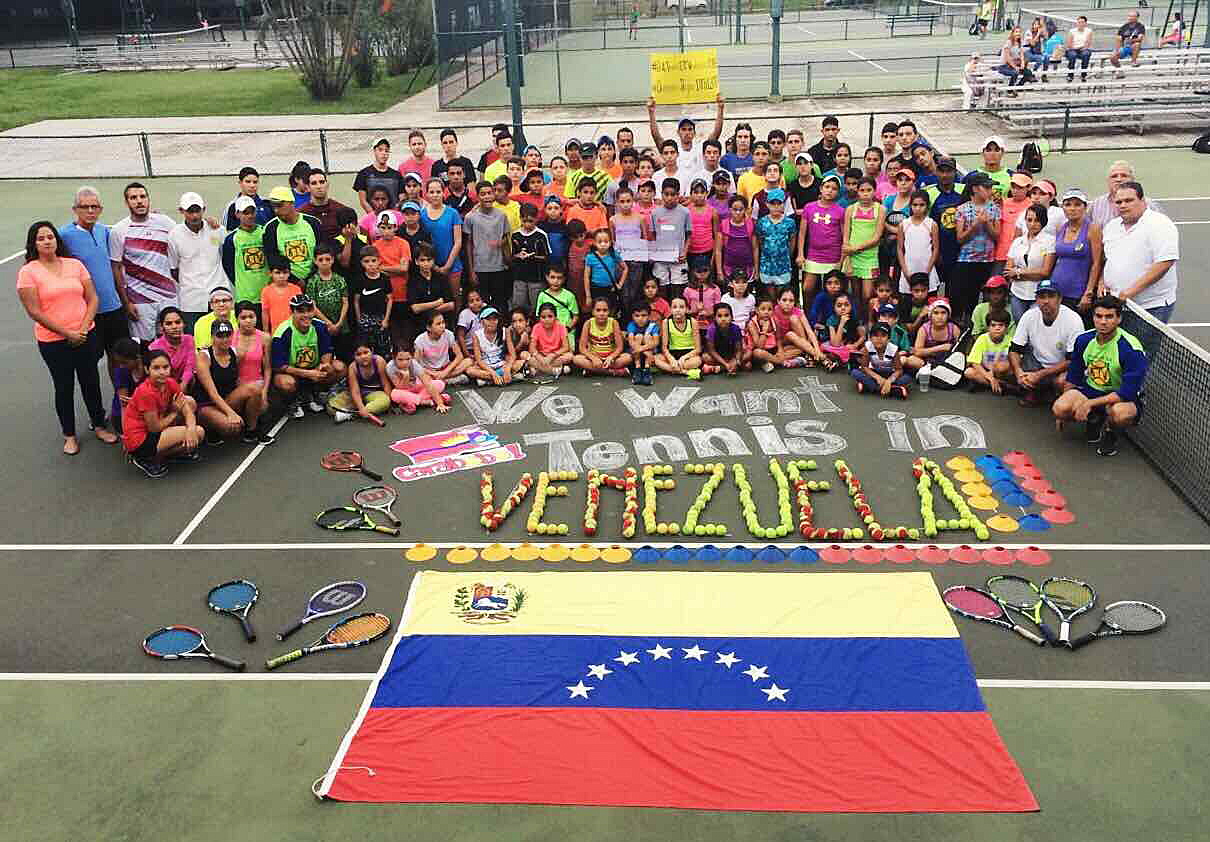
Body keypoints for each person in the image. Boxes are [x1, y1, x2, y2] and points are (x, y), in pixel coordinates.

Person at [17, 221, 119, 455]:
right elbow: (34, 311)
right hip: (53, 342)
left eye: (50, 237)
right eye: (41, 238)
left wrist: (83, 330)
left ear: (57, 240)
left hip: (85, 335)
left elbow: (92, 298)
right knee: (64, 387)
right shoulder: (28, 272)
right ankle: (69, 435)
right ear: (34, 243)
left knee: (91, 381)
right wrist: (67, 333)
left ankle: (100, 425)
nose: (47, 241)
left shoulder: (74, 265)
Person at [1053, 295, 1148, 456]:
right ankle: (1095, 418)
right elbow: (1074, 376)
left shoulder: (1131, 349)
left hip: (1120, 396)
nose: (1103, 321)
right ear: (1093, 317)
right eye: (1099, 316)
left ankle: (1111, 433)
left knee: (1120, 414)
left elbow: (1126, 392)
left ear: (1119, 319)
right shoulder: (1083, 340)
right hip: (1091, 389)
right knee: (1060, 408)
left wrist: (1088, 403)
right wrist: (1063, 415)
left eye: (1109, 316)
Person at [59, 186, 132, 387]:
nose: (90, 211)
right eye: (85, 207)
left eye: (94, 207)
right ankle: (97, 413)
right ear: (75, 209)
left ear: (100, 209)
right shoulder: (63, 236)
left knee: (119, 359)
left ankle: (121, 402)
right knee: (89, 364)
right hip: (86, 313)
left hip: (114, 309)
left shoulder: (105, 232)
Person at [1100, 181, 1179, 323]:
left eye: (1129, 200)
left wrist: (1128, 293)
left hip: (1151, 307)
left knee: (1145, 346)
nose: (1123, 205)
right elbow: (1107, 260)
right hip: (1119, 306)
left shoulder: (1160, 224)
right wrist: (1102, 282)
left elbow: (1164, 263)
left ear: (1142, 201)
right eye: (1119, 202)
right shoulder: (1111, 227)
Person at [109, 182, 177, 344]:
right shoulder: (119, 231)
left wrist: (209, 223)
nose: (139, 201)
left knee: (172, 344)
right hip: (140, 303)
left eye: (143, 197)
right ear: (127, 203)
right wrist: (126, 303)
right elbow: (116, 268)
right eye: (133, 198)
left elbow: (185, 235)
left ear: (148, 199)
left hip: (169, 298)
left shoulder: (165, 222)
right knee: (144, 349)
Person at [122, 348, 201, 477]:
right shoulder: (145, 392)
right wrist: (174, 413)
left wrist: (190, 429)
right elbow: (154, 428)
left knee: (190, 405)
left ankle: (167, 453)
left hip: (158, 424)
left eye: (165, 367)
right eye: (156, 368)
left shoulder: (170, 383)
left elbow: (187, 410)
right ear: (147, 370)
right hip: (140, 439)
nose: (162, 372)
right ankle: (144, 458)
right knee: (199, 432)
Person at [1005, 280, 1084, 405]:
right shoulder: (1029, 316)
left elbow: (1072, 360)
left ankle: (1051, 394)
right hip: (1036, 363)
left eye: (1051, 296)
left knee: (1062, 382)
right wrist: (1019, 372)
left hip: (1061, 367)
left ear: (1060, 299)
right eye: (1042, 297)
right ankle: (1034, 390)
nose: (1046, 301)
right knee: (1001, 367)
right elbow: (1014, 349)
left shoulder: (1073, 320)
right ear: (1036, 299)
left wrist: (1040, 375)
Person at [272, 294, 347, 417]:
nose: (306, 315)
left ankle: (315, 392)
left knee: (339, 367)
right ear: (292, 312)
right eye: (301, 311)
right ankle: (293, 401)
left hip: (314, 368)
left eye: (309, 310)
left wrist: (323, 367)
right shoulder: (282, 332)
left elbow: (326, 351)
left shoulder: (320, 326)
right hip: (292, 372)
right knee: (286, 383)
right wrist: (308, 374)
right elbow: (279, 366)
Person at [193, 319, 263, 443]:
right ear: (212, 337)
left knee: (256, 390)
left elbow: (236, 380)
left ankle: (251, 432)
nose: (225, 339)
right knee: (231, 427)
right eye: (220, 335)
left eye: (228, 335)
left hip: (227, 399)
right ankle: (211, 428)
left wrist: (256, 400)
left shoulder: (236, 354)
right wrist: (231, 413)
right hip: (207, 404)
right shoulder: (204, 357)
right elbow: (212, 393)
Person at [168, 192, 227, 331]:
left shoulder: (217, 230)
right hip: (191, 301)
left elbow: (226, 256)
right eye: (190, 211)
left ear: (204, 210)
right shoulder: (174, 235)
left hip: (218, 297)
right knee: (195, 342)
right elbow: (174, 268)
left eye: (197, 211)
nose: (194, 215)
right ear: (181, 211)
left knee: (222, 339)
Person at [952, 172, 1002, 325]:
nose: (989, 190)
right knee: (966, 296)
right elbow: (960, 238)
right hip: (967, 260)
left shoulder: (994, 208)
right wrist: (974, 226)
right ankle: (966, 325)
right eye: (986, 187)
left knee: (986, 297)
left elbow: (996, 235)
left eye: (990, 187)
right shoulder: (962, 209)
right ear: (974, 189)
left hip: (987, 260)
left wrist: (986, 223)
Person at [1051, 187, 1103, 317]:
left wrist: (1089, 292)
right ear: (1062, 208)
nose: (1072, 208)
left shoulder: (1093, 229)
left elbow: (1097, 263)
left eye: (1077, 205)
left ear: (1085, 207)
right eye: (1068, 205)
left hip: (1079, 294)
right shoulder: (1060, 228)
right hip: (1056, 291)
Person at [646, 94, 725, 177]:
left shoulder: (701, 148)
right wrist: (651, 112)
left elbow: (716, 133)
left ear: (694, 133)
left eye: (690, 129)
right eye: (683, 129)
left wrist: (720, 108)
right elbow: (657, 137)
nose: (687, 133)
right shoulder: (673, 150)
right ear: (678, 132)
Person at [463, 181, 512, 313]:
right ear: (478, 197)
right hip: (480, 267)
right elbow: (468, 244)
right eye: (483, 194)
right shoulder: (470, 217)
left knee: (500, 302)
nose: (487, 197)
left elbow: (506, 239)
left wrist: (501, 244)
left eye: (489, 193)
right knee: (482, 304)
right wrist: (471, 271)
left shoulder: (501, 216)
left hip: (499, 267)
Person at [221, 196, 271, 325]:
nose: (250, 216)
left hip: (267, 295)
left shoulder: (265, 232)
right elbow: (228, 266)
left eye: (252, 212)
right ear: (237, 214)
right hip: (245, 298)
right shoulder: (231, 239)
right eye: (245, 212)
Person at [232, 300, 275, 444]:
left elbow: (268, 368)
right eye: (243, 318)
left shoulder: (265, 338)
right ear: (237, 319)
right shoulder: (230, 338)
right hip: (237, 386)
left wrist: (264, 392)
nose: (248, 321)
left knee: (262, 407)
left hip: (258, 384)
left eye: (251, 316)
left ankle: (252, 431)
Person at [797, 174, 845, 303]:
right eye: (827, 187)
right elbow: (802, 233)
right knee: (807, 288)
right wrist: (801, 254)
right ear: (821, 188)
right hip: (814, 255)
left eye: (834, 188)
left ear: (837, 193)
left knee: (833, 291)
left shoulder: (840, 211)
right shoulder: (809, 207)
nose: (829, 190)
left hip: (833, 256)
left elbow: (844, 237)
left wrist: (842, 259)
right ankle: (808, 318)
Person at [842, 178, 885, 321]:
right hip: (853, 257)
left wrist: (856, 248)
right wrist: (848, 254)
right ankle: (857, 322)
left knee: (867, 295)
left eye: (869, 190)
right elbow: (846, 237)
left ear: (874, 191)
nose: (865, 194)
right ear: (857, 191)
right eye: (862, 190)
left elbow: (877, 237)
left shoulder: (881, 209)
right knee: (855, 293)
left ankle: (869, 323)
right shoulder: (850, 209)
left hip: (870, 257)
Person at [262, 186, 322, 286]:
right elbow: (273, 259)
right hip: (286, 283)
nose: (276, 210)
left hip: (315, 280)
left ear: (291, 203)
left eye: (280, 205)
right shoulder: (270, 228)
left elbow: (322, 252)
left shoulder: (313, 223)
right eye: (273, 207)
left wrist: (311, 277)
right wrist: (295, 280)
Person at [306, 242, 350, 360]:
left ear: (333, 260)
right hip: (322, 326)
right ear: (315, 261)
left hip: (341, 325)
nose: (324, 262)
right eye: (320, 260)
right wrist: (328, 324)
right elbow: (312, 306)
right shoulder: (312, 281)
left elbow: (345, 302)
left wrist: (339, 323)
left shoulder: (339, 279)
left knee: (343, 355)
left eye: (327, 259)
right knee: (325, 356)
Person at [406, 241, 456, 346]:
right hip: (421, 326)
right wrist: (438, 302)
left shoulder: (441, 278)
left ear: (433, 261)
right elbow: (415, 308)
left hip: (442, 323)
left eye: (429, 260)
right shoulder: (413, 281)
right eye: (422, 260)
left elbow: (451, 305)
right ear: (416, 261)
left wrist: (426, 310)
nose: (426, 263)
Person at [329, 341, 393, 423]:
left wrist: (390, 405)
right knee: (331, 406)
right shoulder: (352, 367)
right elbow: (355, 391)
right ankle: (362, 410)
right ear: (354, 356)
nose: (363, 357)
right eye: (358, 354)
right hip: (358, 394)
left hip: (375, 393)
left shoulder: (379, 361)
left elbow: (385, 384)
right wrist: (360, 407)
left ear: (372, 351)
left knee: (385, 401)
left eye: (366, 352)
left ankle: (351, 414)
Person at [1088, 161, 1163, 226]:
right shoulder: (1096, 205)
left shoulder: (1149, 205)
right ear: (1108, 181)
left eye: (1124, 175)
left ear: (1132, 180)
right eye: (1114, 176)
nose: (1119, 179)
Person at [898, 189, 940, 300]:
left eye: (922, 205)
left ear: (927, 206)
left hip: (927, 269)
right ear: (910, 205)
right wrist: (905, 270)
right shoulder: (904, 224)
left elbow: (935, 249)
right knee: (906, 301)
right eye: (915, 205)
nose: (918, 208)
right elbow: (899, 249)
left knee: (930, 301)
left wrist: (928, 270)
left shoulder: (931, 224)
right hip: (909, 268)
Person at [575, 297, 631, 376]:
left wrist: (611, 357)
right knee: (577, 359)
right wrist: (593, 358)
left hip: (610, 358)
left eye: (605, 310)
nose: (601, 313)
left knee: (628, 357)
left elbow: (619, 347)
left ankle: (594, 370)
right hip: (594, 357)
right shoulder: (588, 323)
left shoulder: (613, 323)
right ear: (593, 312)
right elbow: (582, 348)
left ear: (609, 311)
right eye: (598, 310)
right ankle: (612, 372)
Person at [904, 299, 959, 381]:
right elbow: (917, 352)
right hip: (928, 362)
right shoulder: (924, 329)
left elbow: (961, 350)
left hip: (946, 361)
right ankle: (936, 373)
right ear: (930, 315)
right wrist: (941, 347)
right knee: (911, 360)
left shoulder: (953, 328)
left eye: (943, 313)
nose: (940, 317)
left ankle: (935, 374)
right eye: (936, 313)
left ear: (948, 315)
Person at [853, 321, 911, 399]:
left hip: (889, 373)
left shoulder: (893, 349)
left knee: (907, 378)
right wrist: (878, 378)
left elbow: (899, 370)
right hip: (874, 373)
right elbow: (864, 367)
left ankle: (871, 388)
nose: (879, 339)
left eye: (883, 336)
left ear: (888, 339)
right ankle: (893, 389)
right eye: (875, 335)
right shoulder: (868, 346)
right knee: (855, 372)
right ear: (870, 338)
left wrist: (889, 381)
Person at [354, 245, 393, 358]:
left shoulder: (384, 278)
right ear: (362, 263)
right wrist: (359, 318)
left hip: (381, 318)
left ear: (379, 261)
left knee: (383, 349)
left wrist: (386, 319)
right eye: (366, 261)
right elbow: (356, 301)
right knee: (367, 350)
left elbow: (390, 299)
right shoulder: (360, 279)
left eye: (373, 261)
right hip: (365, 319)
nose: (370, 264)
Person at [755, 188, 798, 291]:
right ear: (767, 204)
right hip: (766, 264)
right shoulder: (762, 222)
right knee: (769, 292)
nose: (776, 206)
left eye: (779, 203)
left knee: (782, 291)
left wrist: (788, 254)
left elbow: (792, 240)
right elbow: (760, 241)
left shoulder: (790, 222)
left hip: (783, 264)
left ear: (783, 204)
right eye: (772, 204)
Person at [511, 204, 551, 312]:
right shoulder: (515, 235)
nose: (527, 225)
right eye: (524, 221)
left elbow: (547, 256)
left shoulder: (541, 235)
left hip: (536, 278)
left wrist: (532, 256)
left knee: (536, 306)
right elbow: (512, 255)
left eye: (531, 221)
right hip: (519, 277)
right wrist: (518, 256)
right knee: (518, 305)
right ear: (520, 219)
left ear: (536, 219)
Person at [965, 308, 1015, 394]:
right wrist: (990, 378)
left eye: (1001, 325)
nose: (997, 328)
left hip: (1003, 372)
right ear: (988, 327)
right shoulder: (982, 338)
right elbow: (974, 362)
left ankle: (986, 383)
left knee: (1001, 366)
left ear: (1006, 327)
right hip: (987, 371)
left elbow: (1015, 362)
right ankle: (1003, 386)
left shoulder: (1011, 340)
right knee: (968, 372)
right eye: (993, 325)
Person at [414, 310, 471, 384]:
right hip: (430, 371)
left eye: (443, 322)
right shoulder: (420, 340)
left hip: (446, 368)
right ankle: (447, 379)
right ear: (428, 327)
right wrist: (432, 373)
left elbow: (459, 356)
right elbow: (416, 363)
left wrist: (444, 372)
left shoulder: (448, 334)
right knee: (419, 375)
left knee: (468, 361)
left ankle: (442, 379)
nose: (442, 326)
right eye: (438, 324)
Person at [387, 347, 450, 414]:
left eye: (408, 359)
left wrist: (440, 404)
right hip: (404, 390)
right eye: (400, 359)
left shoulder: (414, 364)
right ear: (394, 357)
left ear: (411, 356)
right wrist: (406, 377)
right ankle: (428, 401)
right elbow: (400, 387)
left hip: (417, 386)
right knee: (394, 395)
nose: (405, 362)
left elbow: (427, 383)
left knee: (439, 384)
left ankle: (413, 402)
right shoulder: (390, 367)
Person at [149, 307, 197, 392]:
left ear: (184, 324)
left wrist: (182, 387)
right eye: (169, 323)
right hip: (163, 387)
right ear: (161, 327)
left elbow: (189, 367)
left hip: (185, 385)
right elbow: (159, 376)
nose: (174, 327)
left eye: (178, 322)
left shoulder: (189, 340)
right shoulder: (154, 347)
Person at [995, 172, 1035, 273]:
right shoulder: (1002, 203)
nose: (1015, 190)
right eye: (1013, 186)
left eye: (1020, 187)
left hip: (1021, 255)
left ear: (1028, 188)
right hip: (1001, 254)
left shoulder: (1033, 205)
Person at [655, 296, 704, 378]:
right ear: (670, 309)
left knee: (698, 361)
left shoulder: (693, 322)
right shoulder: (666, 322)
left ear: (687, 309)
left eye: (681, 307)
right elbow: (664, 348)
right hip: (673, 353)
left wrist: (683, 358)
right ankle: (685, 372)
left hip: (689, 354)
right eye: (674, 307)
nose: (678, 310)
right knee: (656, 359)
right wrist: (671, 360)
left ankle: (673, 369)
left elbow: (698, 349)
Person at [299, 168, 352, 243]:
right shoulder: (302, 214)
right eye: (314, 183)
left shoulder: (341, 209)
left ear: (327, 184)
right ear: (307, 188)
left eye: (322, 182)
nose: (319, 186)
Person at [354, 138, 405, 212]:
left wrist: (392, 216)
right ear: (374, 151)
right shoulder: (364, 174)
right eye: (380, 150)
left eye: (386, 151)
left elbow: (402, 200)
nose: (384, 153)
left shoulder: (397, 175)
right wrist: (374, 217)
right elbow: (363, 201)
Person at [585, 227, 628, 313]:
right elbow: (586, 277)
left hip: (610, 289)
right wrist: (588, 296)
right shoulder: (590, 257)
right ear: (594, 243)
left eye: (606, 241)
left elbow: (625, 268)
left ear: (610, 242)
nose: (603, 244)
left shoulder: (613, 255)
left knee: (610, 311)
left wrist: (619, 285)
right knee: (597, 312)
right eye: (599, 242)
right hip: (595, 289)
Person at [748, 295, 795, 373]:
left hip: (773, 349)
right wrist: (765, 330)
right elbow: (759, 346)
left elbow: (778, 338)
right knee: (757, 353)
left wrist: (780, 350)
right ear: (756, 310)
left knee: (798, 348)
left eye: (769, 309)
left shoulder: (774, 320)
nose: (766, 312)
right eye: (763, 309)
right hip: (762, 351)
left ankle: (771, 361)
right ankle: (780, 361)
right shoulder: (752, 323)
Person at [529, 302, 574, 380]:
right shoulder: (536, 327)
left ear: (555, 317)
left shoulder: (561, 327)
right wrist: (540, 358)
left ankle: (539, 369)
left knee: (570, 356)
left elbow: (566, 347)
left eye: (550, 316)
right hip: (541, 356)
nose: (547, 320)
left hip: (556, 356)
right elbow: (532, 348)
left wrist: (552, 355)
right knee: (524, 355)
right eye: (543, 317)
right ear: (539, 318)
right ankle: (553, 371)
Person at [821, 292, 864, 371]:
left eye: (846, 305)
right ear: (834, 308)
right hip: (833, 346)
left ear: (851, 306)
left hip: (847, 345)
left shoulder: (854, 318)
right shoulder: (831, 320)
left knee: (861, 350)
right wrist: (842, 323)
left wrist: (855, 345)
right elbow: (835, 344)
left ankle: (840, 362)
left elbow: (863, 336)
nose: (843, 308)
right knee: (832, 352)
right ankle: (839, 362)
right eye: (839, 306)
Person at [221, 166, 274, 231]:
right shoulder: (232, 206)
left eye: (255, 182)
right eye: (248, 182)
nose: (252, 185)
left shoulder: (266, 204)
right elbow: (226, 231)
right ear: (240, 183)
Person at [260, 257, 303, 334]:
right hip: (276, 332)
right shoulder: (266, 291)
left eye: (285, 272)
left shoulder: (296, 289)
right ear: (270, 273)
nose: (281, 276)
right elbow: (265, 313)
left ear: (289, 273)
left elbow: (301, 311)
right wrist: (266, 331)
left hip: (295, 330)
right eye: (278, 273)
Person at [706, 302, 747, 375]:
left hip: (731, 354)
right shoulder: (712, 329)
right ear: (714, 318)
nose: (723, 319)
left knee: (749, 354)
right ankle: (726, 367)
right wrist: (725, 364)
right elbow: (711, 351)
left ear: (732, 317)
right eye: (719, 316)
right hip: (718, 356)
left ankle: (721, 368)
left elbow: (738, 349)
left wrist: (735, 360)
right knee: (705, 357)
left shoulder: (735, 328)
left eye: (726, 315)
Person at [626, 302, 661, 384]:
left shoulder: (653, 326)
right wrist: (642, 350)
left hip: (649, 352)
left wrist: (642, 349)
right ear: (632, 316)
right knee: (638, 336)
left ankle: (647, 368)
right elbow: (631, 341)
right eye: (637, 316)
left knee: (647, 336)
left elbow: (656, 342)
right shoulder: (632, 325)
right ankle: (637, 368)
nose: (640, 318)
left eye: (643, 315)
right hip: (636, 353)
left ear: (649, 316)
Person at [1065, 16, 1094, 81]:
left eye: (1082, 22)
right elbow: (1069, 44)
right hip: (1073, 49)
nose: (1080, 24)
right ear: (1077, 23)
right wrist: (1076, 48)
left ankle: (1083, 75)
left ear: (1085, 23)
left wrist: (1083, 47)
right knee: (1072, 55)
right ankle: (1070, 75)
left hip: (1084, 49)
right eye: (1079, 22)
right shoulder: (1072, 31)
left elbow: (1088, 43)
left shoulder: (1089, 31)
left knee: (1086, 54)